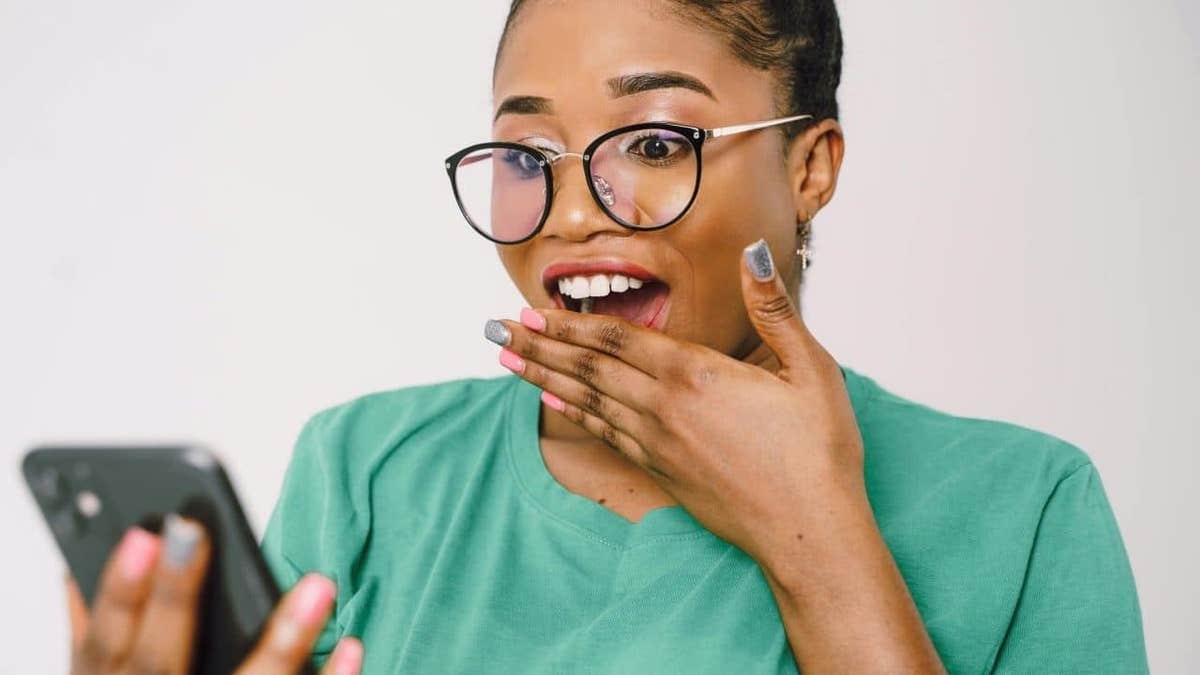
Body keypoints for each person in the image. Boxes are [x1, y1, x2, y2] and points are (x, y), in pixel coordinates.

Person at [63, 1, 1148, 673]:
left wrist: (816, 539)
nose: (574, 212)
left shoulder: (1027, 507)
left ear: (809, 167)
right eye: (528, 155)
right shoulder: (366, 471)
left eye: (655, 141)